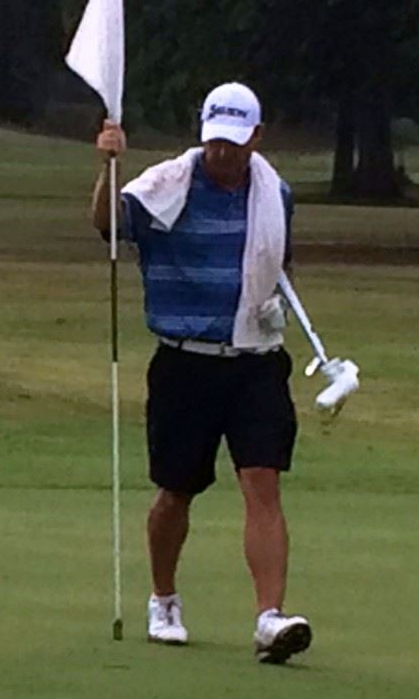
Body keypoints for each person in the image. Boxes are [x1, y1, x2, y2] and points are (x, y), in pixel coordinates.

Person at [91, 82, 311, 664]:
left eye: (234, 144)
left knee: (262, 483)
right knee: (176, 491)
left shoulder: (275, 193)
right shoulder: (168, 185)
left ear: (256, 139)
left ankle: (270, 618)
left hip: (255, 361)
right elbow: (108, 226)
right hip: (184, 362)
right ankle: (163, 599)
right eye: (214, 141)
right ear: (202, 133)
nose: (222, 154)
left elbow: (278, 262)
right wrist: (107, 166)